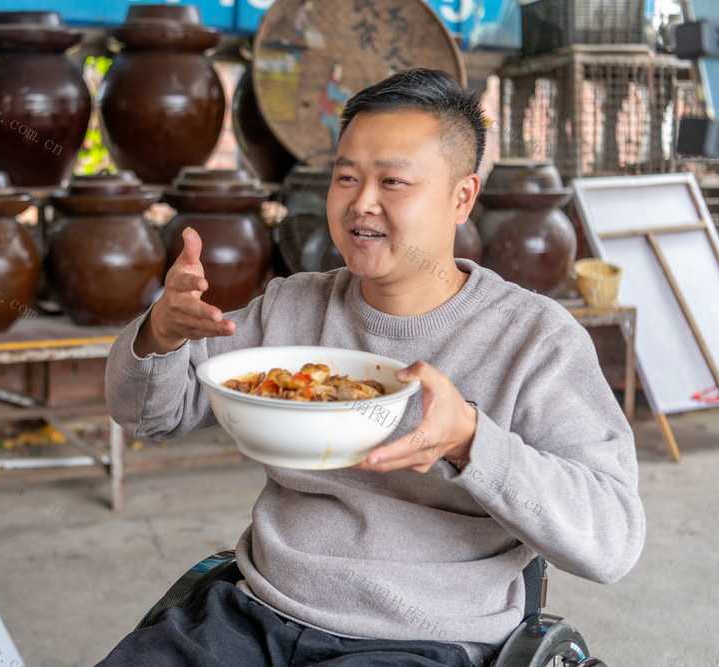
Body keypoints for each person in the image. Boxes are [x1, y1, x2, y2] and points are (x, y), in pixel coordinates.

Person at [99, 68, 645, 667]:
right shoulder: (291, 307)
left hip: (422, 638)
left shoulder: (534, 341)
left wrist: (469, 441)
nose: (362, 203)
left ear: (461, 197)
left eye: (393, 181)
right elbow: (148, 415)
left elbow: (612, 540)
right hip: (256, 613)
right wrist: (161, 336)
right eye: (346, 178)